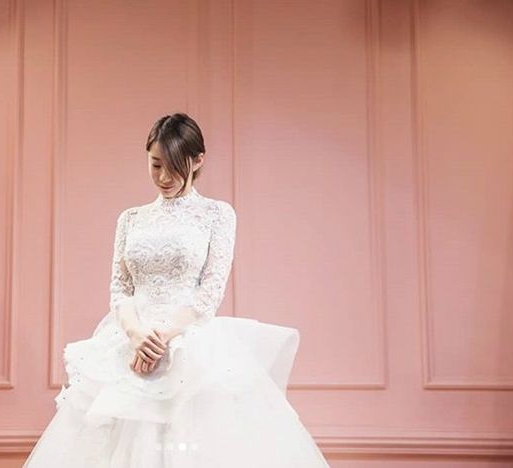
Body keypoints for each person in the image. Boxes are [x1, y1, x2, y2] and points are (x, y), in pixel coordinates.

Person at [22, 113, 330, 467]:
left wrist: (160, 339)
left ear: (198, 161)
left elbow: (209, 292)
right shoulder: (131, 219)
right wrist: (136, 335)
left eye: (173, 167)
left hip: (187, 343)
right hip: (130, 342)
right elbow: (120, 288)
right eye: (155, 165)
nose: (164, 177)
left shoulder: (217, 215)